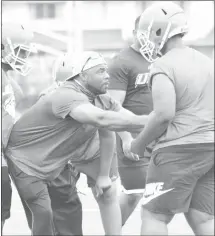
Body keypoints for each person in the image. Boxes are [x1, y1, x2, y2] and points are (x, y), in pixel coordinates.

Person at [5, 51, 148, 235]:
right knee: (48, 211)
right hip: (38, 160)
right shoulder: (60, 96)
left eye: (106, 70)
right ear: (80, 76)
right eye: (101, 71)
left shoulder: (101, 98)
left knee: (107, 194)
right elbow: (103, 119)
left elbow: (111, 126)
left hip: (84, 148)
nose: (107, 76)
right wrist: (153, 120)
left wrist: (157, 125)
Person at [131, 2, 214, 235]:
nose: (145, 40)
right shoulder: (207, 62)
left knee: (154, 217)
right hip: (210, 148)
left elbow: (163, 115)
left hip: (178, 151)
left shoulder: (162, 65)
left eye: (147, 33)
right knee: (203, 218)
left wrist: (138, 144)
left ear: (159, 32)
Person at [108, 15, 153, 226]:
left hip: (163, 135)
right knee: (135, 193)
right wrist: (125, 137)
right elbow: (113, 105)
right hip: (134, 135)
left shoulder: (162, 58)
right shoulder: (122, 61)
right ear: (135, 32)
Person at [1, 21, 37, 231]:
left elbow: (17, 98)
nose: (23, 58)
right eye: (20, 52)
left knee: (3, 208)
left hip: (2, 156)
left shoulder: (5, 76)